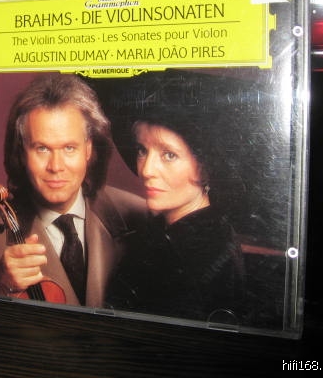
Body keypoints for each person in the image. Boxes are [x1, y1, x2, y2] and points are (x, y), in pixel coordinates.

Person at [0, 73, 146, 308]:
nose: (56, 166)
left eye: (69, 148)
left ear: (88, 150)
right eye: (42, 149)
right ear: (22, 153)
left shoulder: (139, 216)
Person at [101, 70, 246, 322]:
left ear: (204, 168)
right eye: (142, 150)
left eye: (169, 155)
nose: (146, 170)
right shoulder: (165, 232)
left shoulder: (205, 255)